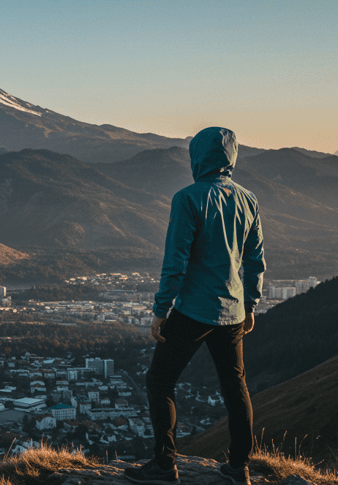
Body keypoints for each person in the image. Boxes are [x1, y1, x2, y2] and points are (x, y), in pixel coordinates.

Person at [124, 127, 265, 485]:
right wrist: (250, 303)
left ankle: (164, 464)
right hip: (233, 312)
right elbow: (255, 259)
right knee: (235, 387)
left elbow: (176, 261)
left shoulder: (187, 198)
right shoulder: (248, 199)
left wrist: (161, 310)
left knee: (159, 381)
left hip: (193, 311)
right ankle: (239, 467)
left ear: (197, 157)